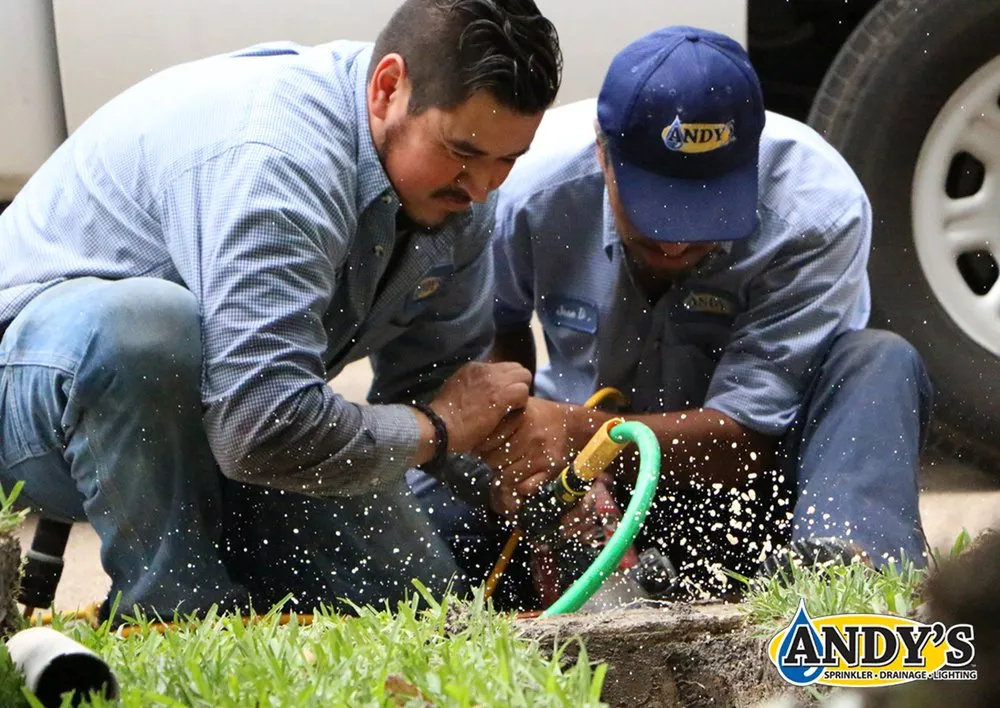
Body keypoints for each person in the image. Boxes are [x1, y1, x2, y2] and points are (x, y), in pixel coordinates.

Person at [0, 0, 562, 621]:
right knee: (147, 326)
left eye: (508, 160)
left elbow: (437, 394)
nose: (483, 188)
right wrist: (442, 428)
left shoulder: (459, 199)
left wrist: (517, 476)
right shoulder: (279, 161)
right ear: (387, 89)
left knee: (426, 615)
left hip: (229, 414)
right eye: (463, 151)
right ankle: (172, 618)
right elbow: (263, 424)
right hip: (45, 406)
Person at [411, 25, 933, 603]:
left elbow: (750, 434)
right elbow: (494, 331)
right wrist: (519, 446)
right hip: (585, 484)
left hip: (751, 489)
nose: (678, 245)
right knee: (416, 516)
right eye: (657, 211)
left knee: (880, 361)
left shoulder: (816, 210)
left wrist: (576, 430)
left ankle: (847, 587)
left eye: (707, 210)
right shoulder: (526, 192)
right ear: (603, 152)